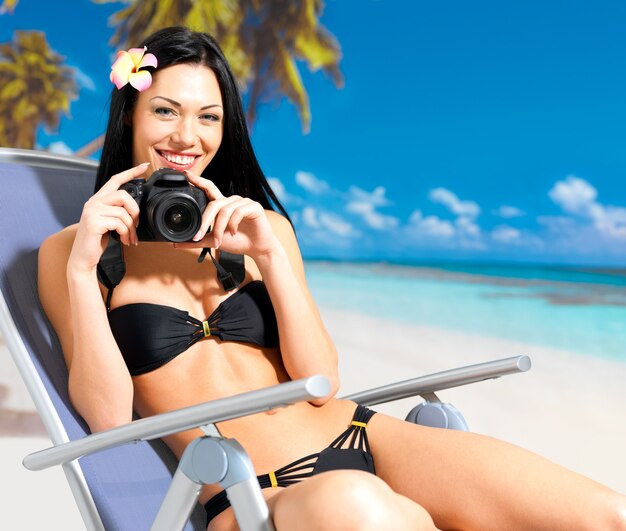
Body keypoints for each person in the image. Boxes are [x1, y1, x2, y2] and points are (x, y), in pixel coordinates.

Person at [38, 26, 626, 531]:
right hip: (251, 489)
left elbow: (321, 383)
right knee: (364, 506)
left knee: (606, 515)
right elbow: (109, 421)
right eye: (166, 110)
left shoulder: (258, 228)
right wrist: (85, 266)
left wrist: (270, 255)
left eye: (209, 117)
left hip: (362, 435)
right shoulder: (75, 249)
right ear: (131, 114)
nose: (187, 137)